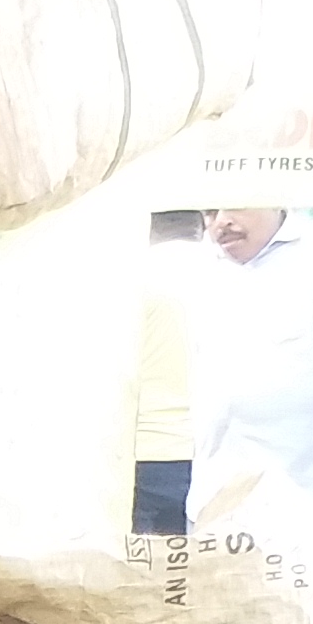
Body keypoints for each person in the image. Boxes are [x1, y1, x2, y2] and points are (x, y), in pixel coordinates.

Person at [193, 200, 313, 524]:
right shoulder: (202, 264)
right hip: (214, 498)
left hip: (301, 495)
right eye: (210, 212)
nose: (222, 223)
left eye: (234, 205)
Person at [130, 209, 208, 535]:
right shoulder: (232, 272)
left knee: (139, 577)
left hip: (141, 453)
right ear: (202, 224)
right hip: (210, 452)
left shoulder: (131, 273)